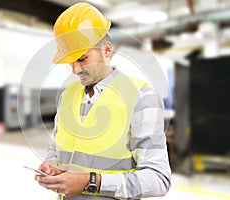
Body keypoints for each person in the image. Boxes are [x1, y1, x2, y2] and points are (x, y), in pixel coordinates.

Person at [35, 2, 171, 200]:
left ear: (106, 51)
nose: (74, 70)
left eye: (82, 59)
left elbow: (159, 179)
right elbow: (55, 147)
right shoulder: (67, 95)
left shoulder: (140, 96)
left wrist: (90, 182)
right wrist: (51, 164)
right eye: (70, 61)